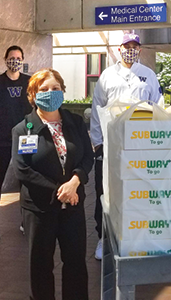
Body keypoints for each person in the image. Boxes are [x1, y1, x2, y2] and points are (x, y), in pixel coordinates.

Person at [14, 68, 94, 300]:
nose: (50, 93)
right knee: (40, 266)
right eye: (44, 89)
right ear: (33, 95)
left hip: (73, 206)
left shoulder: (75, 123)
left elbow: (87, 157)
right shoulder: (23, 129)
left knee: (76, 263)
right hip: (39, 209)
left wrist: (75, 181)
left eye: (55, 88)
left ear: (62, 91)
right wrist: (62, 190)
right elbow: (23, 169)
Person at [90, 32, 162, 260]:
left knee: (138, 192)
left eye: (134, 46)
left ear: (139, 49)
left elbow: (158, 106)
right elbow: (96, 109)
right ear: (119, 49)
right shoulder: (107, 76)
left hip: (141, 145)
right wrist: (97, 142)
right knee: (107, 192)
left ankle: (136, 236)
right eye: (126, 46)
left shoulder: (148, 75)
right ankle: (104, 238)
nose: (130, 50)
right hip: (112, 145)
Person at [0, 45, 33, 191]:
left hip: (25, 138)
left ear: (23, 60)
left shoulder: (30, 82)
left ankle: (27, 212)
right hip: (2, 140)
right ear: (5, 60)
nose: (15, 61)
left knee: (27, 179)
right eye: (12, 58)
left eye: (18, 59)